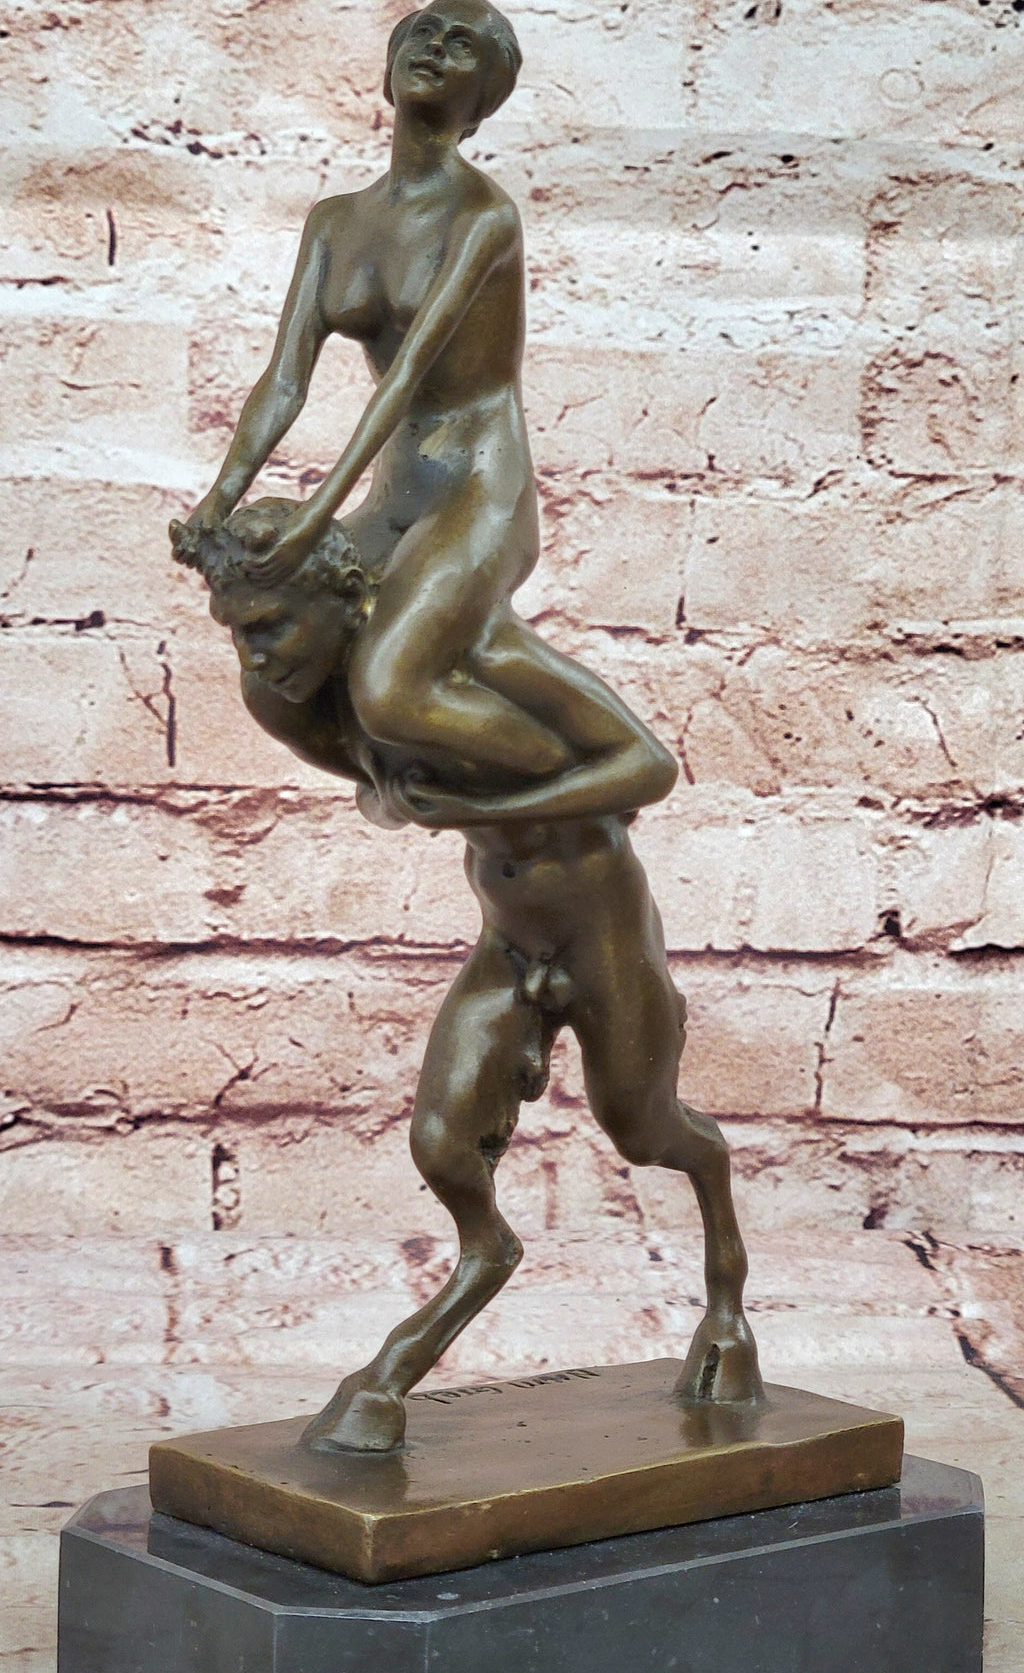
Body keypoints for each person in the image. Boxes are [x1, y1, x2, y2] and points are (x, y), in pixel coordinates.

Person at [178, 501, 765, 1454]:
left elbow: (649, 767)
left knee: (645, 1130)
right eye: (237, 632)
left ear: (342, 599)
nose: (254, 654)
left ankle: (726, 1293)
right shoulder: (318, 704)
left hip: (603, 937)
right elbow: (380, 787)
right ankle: (481, 1256)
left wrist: (483, 803)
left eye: (271, 626)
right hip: (510, 943)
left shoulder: (484, 655)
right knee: (442, 1144)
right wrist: (403, 794)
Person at [172, 0, 578, 787]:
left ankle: (561, 778)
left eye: (462, 45)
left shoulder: (483, 216)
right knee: (273, 676)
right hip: (395, 497)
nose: (435, 47)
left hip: (476, 494)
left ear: (482, 103)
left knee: (389, 687)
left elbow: (408, 376)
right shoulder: (334, 222)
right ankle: (406, 780)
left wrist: (317, 513)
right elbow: (285, 380)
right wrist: (219, 497)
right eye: (422, 32)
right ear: (390, 71)